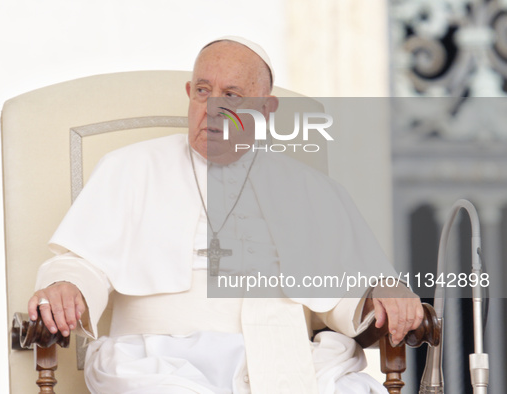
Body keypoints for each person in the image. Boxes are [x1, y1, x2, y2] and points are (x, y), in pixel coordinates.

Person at [28, 36, 423, 393]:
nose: (212, 108)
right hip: (157, 361)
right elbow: (84, 263)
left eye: (231, 95)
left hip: (283, 359)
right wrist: (67, 285)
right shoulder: (130, 167)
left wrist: (377, 293)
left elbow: (343, 288)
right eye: (203, 91)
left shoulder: (311, 189)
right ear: (189, 93)